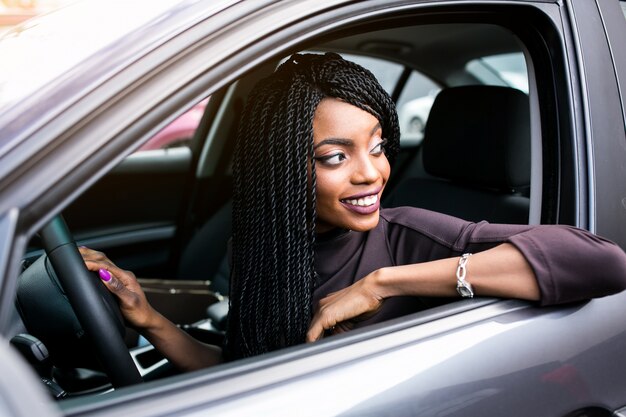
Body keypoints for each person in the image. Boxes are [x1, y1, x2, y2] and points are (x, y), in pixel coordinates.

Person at [80, 52, 626, 370]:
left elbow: (603, 262)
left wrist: (384, 283)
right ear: (283, 167)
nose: (371, 172)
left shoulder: (408, 234)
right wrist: (148, 318)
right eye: (335, 157)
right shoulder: (257, 248)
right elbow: (245, 372)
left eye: (380, 145)